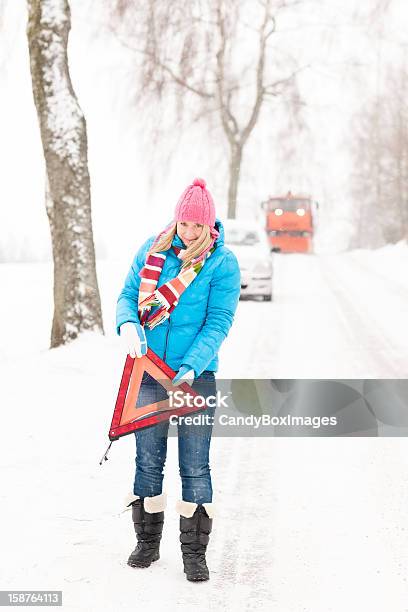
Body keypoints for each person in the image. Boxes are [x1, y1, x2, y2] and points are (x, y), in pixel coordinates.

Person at [116, 177, 240, 581]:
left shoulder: (221, 263)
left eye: (197, 226)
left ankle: (194, 555)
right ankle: (147, 545)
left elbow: (219, 321)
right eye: (184, 223)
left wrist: (192, 365)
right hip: (149, 372)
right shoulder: (152, 250)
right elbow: (126, 295)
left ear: (210, 226)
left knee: (195, 467)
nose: (188, 232)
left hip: (196, 376)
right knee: (148, 463)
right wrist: (128, 325)